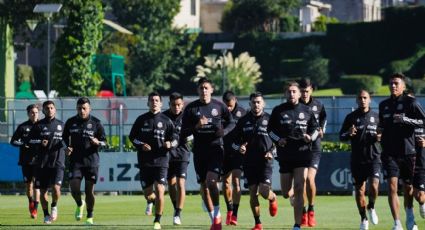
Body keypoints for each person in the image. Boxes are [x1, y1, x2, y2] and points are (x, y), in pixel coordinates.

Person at [180, 77, 234, 230]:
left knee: (211, 182)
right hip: (199, 151)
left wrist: (224, 132)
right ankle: (213, 220)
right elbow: (183, 133)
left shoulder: (219, 106)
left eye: (206, 88)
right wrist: (196, 127)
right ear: (198, 90)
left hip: (216, 149)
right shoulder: (191, 109)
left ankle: (217, 216)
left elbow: (231, 122)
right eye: (201, 88)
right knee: (204, 186)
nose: (204, 91)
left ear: (211, 90)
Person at [268, 81, 319, 230]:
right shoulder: (278, 111)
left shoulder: (307, 110)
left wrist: (311, 137)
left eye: (294, 91)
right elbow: (270, 131)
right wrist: (279, 140)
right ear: (285, 93)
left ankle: (297, 225)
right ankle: (289, 196)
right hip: (285, 156)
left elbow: (316, 129)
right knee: (285, 192)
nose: (291, 94)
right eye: (289, 92)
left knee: (299, 187)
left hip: (303, 154)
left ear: (298, 93)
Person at [378, 73, 425, 230]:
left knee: (408, 187)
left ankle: (410, 213)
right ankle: (397, 223)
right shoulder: (383, 105)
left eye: (396, 83)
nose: (393, 86)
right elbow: (382, 125)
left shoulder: (411, 102)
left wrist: (406, 120)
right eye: (391, 83)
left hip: (408, 151)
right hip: (389, 153)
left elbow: (422, 121)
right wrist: (378, 133)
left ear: (403, 86)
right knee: (392, 186)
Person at [232, 92, 278, 230]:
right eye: (253, 102)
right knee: (252, 192)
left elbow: (278, 141)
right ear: (250, 104)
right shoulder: (243, 121)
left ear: (263, 103)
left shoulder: (271, 120)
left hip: (265, 161)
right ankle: (258, 224)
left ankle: (272, 198)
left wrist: (272, 152)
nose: (256, 105)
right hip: (249, 162)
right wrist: (239, 148)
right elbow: (234, 142)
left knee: (264, 192)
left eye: (258, 102)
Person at [129, 92, 175, 230]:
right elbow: (132, 137)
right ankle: (152, 202)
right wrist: (141, 145)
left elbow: (175, 138)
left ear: (161, 103)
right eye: (151, 100)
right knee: (148, 194)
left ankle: (157, 220)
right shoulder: (141, 119)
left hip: (161, 160)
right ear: (148, 103)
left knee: (160, 190)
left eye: (156, 100)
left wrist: (170, 144)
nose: (154, 102)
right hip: (145, 161)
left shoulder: (167, 121)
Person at [339, 90, 381, 230]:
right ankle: (363, 218)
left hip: (374, 157)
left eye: (365, 98)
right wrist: (349, 133)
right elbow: (341, 136)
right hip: (357, 159)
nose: (362, 100)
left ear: (369, 100)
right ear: (356, 100)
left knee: (374, 186)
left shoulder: (377, 117)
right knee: (359, 191)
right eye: (360, 98)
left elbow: (385, 134)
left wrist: (381, 137)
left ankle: (372, 206)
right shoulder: (351, 117)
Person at [63, 97, 106, 225]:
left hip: (91, 162)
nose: (82, 111)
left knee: (89, 191)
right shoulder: (71, 122)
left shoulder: (96, 123)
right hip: (75, 161)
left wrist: (98, 142)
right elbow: (64, 138)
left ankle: (90, 216)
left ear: (89, 109)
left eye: (84, 108)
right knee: (74, 188)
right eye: (79, 108)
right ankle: (79, 203)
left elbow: (105, 142)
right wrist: (67, 147)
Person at [28, 100, 65, 224]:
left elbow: (67, 142)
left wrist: (69, 148)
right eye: (47, 108)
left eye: (51, 108)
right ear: (43, 111)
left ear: (55, 109)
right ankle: (46, 215)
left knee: (56, 189)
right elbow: (28, 142)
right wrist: (39, 142)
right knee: (43, 193)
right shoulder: (38, 126)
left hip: (58, 163)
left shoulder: (62, 125)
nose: (49, 110)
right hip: (42, 164)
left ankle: (54, 206)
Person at [298, 78, 327, 227]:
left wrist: (322, 129)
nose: (304, 94)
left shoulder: (318, 105)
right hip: (299, 148)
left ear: (311, 90)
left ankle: (311, 210)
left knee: (310, 179)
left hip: (314, 147)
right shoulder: (295, 105)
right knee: (301, 181)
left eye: (306, 91)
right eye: (302, 91)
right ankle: (303, 212)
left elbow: (324, 118)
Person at [163, 92, 190, 225]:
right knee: (171, 185)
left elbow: (193, 133)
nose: (177, 107)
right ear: (169, 104)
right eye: (174, 105)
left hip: (182, 154)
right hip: (168, 154)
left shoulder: (187, 117)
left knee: (180, 183)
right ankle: (175, 208)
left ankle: (178, 213)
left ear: (183, 104)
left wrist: (187, 137)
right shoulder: (163, 117)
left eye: (179, 104)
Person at [10, 104, 40, 219]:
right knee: (29, 186)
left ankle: (35, 210)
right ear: (28, 114)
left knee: (37, 185)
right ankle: (30, 202)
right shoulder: (23, 127)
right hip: (26, 161)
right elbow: (13, 141)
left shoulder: (42, 126)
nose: (34, 114)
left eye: (36, 112)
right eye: (32, 112)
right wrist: (23, 144)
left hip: (38, 161)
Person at [221, 90, 246, 225]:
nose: (228, 108)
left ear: (235, 100)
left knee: (236, 182)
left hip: (237, 153)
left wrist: (245, 145)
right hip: (224, 152)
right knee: (225, 183)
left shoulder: (243, 113)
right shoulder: (220, 113)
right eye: (226, 105)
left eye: (230, 105)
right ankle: (229, 209)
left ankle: (235, 214)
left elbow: (248, 132)